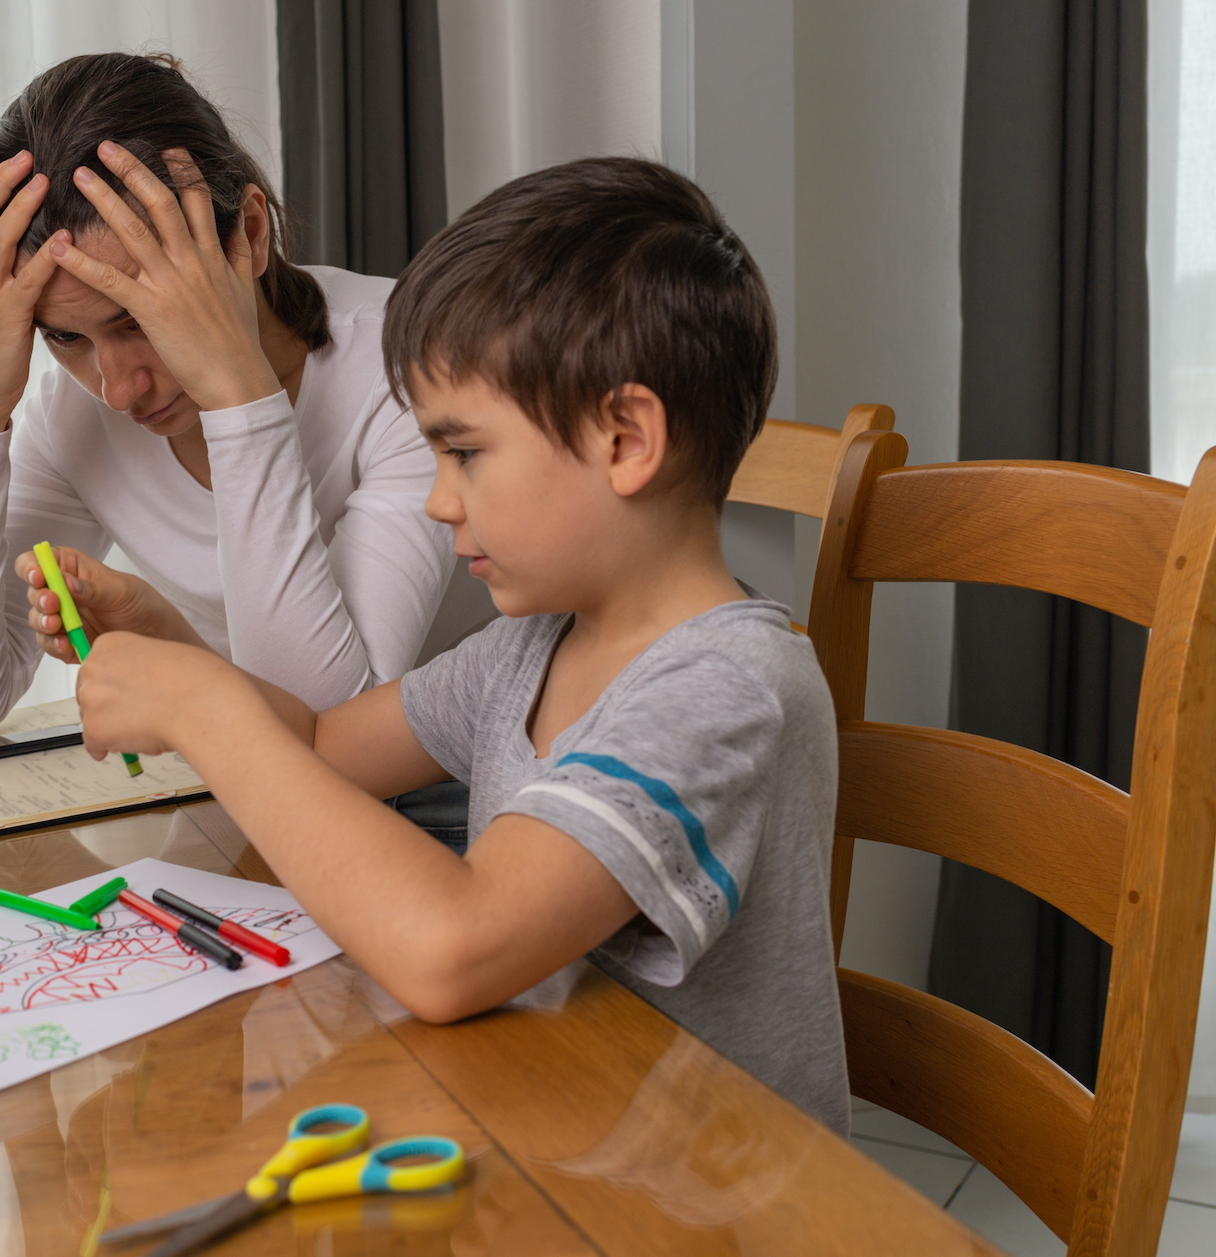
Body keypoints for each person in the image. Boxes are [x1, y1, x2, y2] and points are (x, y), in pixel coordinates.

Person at [72, 158, 850, 1132]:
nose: (440, 498)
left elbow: (455, 945)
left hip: (703, 1226)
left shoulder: (726, 687)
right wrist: (180, 653)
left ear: (626, 439)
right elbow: (319, 747)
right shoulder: (531, 646)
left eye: (466, 452)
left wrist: (202, 707)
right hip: (547, 1148)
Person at [0, 51, 495, 825]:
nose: (118, 387)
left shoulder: (408, 365)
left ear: (247, 232)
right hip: (247, 790)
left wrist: (237, 396)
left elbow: (335, 739)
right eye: (64, 339)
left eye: (137, 321)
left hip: (474, 789)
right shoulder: (74, 417)